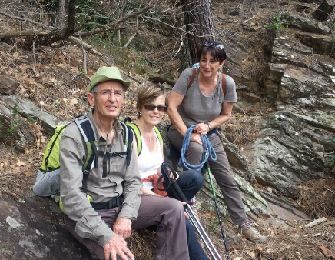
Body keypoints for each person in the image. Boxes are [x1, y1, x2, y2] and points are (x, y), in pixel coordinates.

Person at [60, 66, 190, 260]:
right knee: (120, 255)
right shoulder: (75, 135)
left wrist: (126, 215)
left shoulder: (126, 134)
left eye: (118, 93)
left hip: (120, 206)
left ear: (123, 100)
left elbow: (133, 181)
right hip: (91, 214)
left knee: (174, 208)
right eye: (105, 92)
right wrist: (107, 236)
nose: (112, 99)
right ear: (91, 99)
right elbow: (71, 196)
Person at [167, 41, 267, 243]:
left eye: (212, 61)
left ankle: (243, 223)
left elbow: (226, 115)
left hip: (209, 133)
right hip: (181, 129)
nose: (206, 65)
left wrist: (209, 126)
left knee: (226, 177)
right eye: (203, 60)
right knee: (194, 148)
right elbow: (171, 106)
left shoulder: (226, 83)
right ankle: (184, 205)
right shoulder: (189, 75)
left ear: (221, 63)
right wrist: (188, 133)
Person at [127, 85, 208, 260]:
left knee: (194, 177)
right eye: (150, 106)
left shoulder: (156, 133)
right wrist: (168, 203)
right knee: (184, 223)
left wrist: (169, 175)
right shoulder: (131, 136)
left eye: (161, 108)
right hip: (137, 195)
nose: (156, 111)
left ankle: (173, 212)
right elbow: (128, 180)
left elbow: (159, 167)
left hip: (157, 189)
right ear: (140, 107)